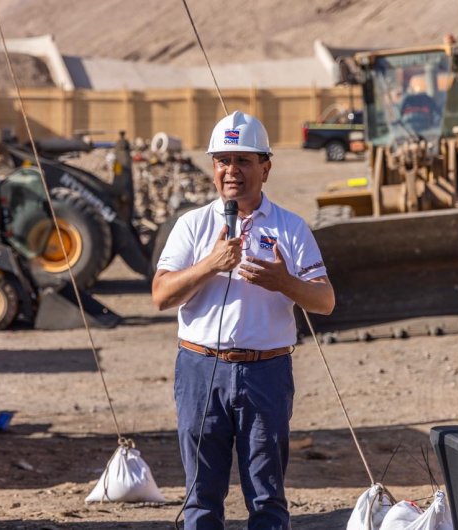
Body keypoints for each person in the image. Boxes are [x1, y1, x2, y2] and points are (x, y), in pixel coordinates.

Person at [151, 111, 335, 530]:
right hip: (200, 371)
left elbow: (324, 300)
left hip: (265, 373)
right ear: (213, 168)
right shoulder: (192, 226)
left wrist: (283, 281)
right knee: (200, 498)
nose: (231, 171)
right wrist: (210, 265)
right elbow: (162, 295)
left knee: (267, 497)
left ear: (265, 168)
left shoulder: (291, 227)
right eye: (222, 161)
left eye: (244, 161)